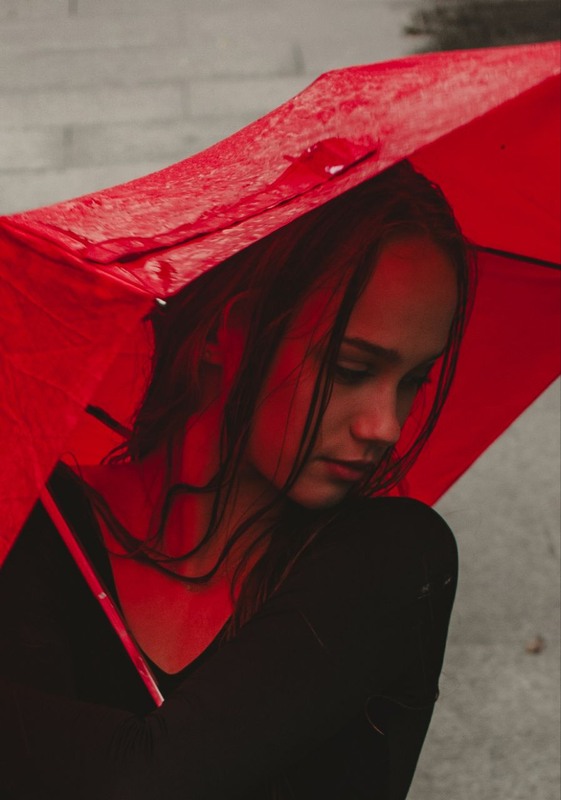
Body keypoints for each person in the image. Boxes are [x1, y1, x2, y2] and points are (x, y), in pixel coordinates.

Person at [0, 160, 473, 799]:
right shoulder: (40, 525)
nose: (386, 425)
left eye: (413, 380)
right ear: (231, 330)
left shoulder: (392, 561)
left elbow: (141, 781)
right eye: (351, 369)